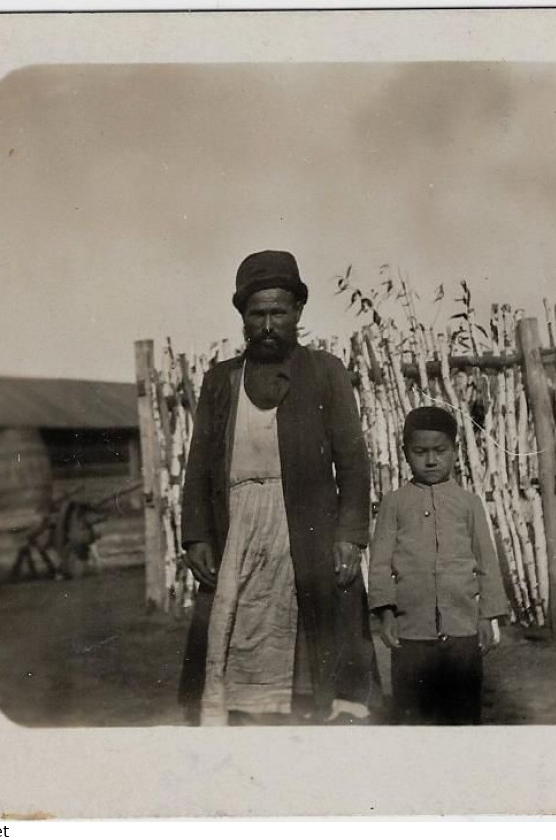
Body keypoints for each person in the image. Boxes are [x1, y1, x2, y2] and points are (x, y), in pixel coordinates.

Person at [178, 250, 381, 725]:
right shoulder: (220, 381)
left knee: (314, 652)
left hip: (307, 526)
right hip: (238, 530)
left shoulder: (325, 372)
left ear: (298, 313)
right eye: (257, 314)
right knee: (235, 636)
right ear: (242, 319)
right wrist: (197, 536)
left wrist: (350, 535)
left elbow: (353, 462)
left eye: (279, 312)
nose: (268, 324)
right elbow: (199, 465)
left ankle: (315, 723)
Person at [367, 405, 510, 725]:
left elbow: (487, 562)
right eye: (420, 451)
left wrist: (487, 616)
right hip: (410, 632)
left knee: (462, 713)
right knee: (413, 715)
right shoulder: (393, 504)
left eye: (440, 451)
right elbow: (379, 564)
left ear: (456, 451)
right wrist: (385, 613)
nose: (431, 460)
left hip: (462, 629)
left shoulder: (469, 504)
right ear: (405, 453)